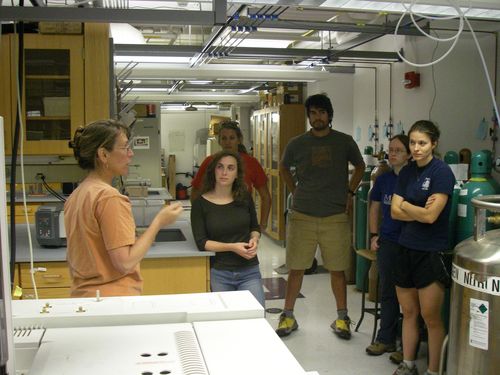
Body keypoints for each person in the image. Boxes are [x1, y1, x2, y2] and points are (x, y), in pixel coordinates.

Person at [276, 93, 365, 339]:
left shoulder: (344, 142)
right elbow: (283, 167)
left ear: (329, 115)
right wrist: (294, 190)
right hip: (302, 215)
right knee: (296, 268)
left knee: (337, 270)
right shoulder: (297, 143)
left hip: (335, 215)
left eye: (322, 112)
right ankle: (288, 316)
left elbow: (360, 166)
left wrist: (350, 191)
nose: (317, 117)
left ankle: (342, 317)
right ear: (309, 117)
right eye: (313, 113)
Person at [64, 119, 183, 297]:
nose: (131, 154)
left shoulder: (77, 195)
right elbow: (125, 263)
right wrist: (158, 222)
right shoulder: (109, 197)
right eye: (125, 148)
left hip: (84, 296)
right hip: (112, 298)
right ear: (103, 155)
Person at [390, 120, 455, 375]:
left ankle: (434, 370)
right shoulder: (407, 172)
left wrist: (406, 205)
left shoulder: (441, 173)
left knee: (431, 317)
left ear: (434, 144)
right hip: (404, 248)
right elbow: (394, 212)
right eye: (413, 143)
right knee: (408, 312)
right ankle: (408, 364)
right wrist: (413, 209)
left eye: (422, 143)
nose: (416, 148)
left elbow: (431, 217)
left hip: (430, 252)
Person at [190, 150, 265, 307]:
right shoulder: (200, 204)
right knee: (226, 324)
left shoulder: (244, 197)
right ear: (213, 170)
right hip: (220, 273)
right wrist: (232, 247)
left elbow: (254, 227)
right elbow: (202, 242)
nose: (224, 172)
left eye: (231, 168)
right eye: (220, 167)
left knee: (256, 319)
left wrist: (255, 239)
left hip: (249, 270)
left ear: (237, 174)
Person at [365, 135, 411, 357]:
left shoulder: (416, 179)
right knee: (388, 291)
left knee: (410, 296)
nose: (392, 154)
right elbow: (374, 208)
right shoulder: (384, 180)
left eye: (398, 150)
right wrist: (374, 235)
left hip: (411, 244)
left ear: (409, 154)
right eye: (390, 150)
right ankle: (386, 339)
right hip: (388, 241)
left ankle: (407, 345)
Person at [191, 121, 271, 231]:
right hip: (214, 220)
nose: (228, 142)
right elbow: (195, 192)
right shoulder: (210, 162)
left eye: (232, 138)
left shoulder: (251, 163)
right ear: (219, 141)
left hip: (242, 222)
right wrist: (198, 219)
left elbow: (265, 196)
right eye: (224, 138)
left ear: (239, 140)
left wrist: (263, 225)